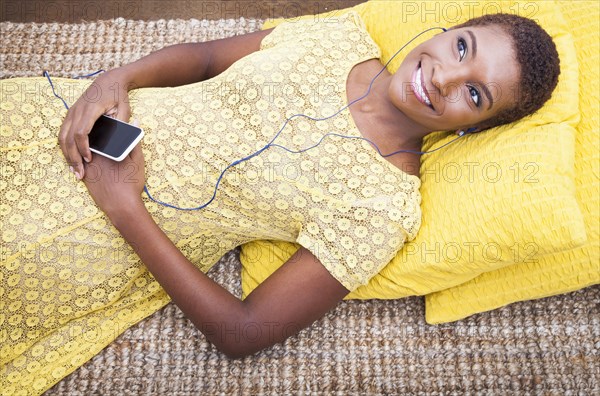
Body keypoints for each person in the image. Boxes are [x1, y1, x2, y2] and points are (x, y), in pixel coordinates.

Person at [1, 10, 559, 370]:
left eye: (476, 95)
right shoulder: (338, 35)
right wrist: (112, 80)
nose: (443, 78)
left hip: (78, 237)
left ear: (469, 129)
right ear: (444, 31)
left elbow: (244, 331)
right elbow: (204, 58)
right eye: (461, 48)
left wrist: (123, 207)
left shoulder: (381, 210)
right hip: (62, 118)